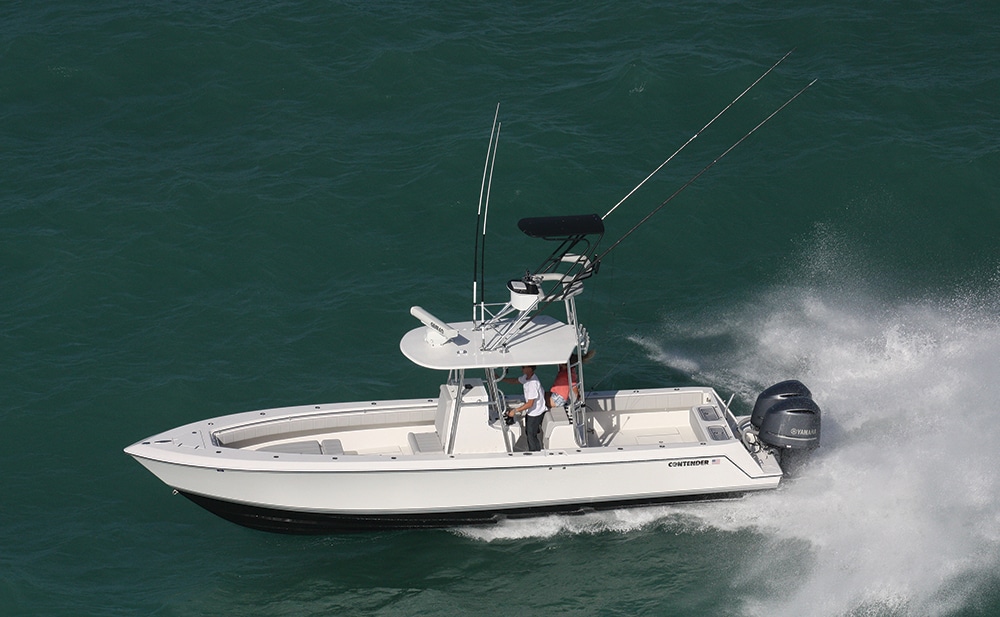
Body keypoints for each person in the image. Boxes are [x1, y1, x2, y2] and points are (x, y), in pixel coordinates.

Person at [502, 366, 547, 451]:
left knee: (531, 435)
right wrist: (501, 379)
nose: (521, 369)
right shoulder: (527, 378)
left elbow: (530, 404)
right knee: (529, 431)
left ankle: (535, 453)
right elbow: (515, 381)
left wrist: (514, 411)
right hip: (531, 411)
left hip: (535, 413)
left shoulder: (532, 384)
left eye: (523, 367)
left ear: (530, 369)